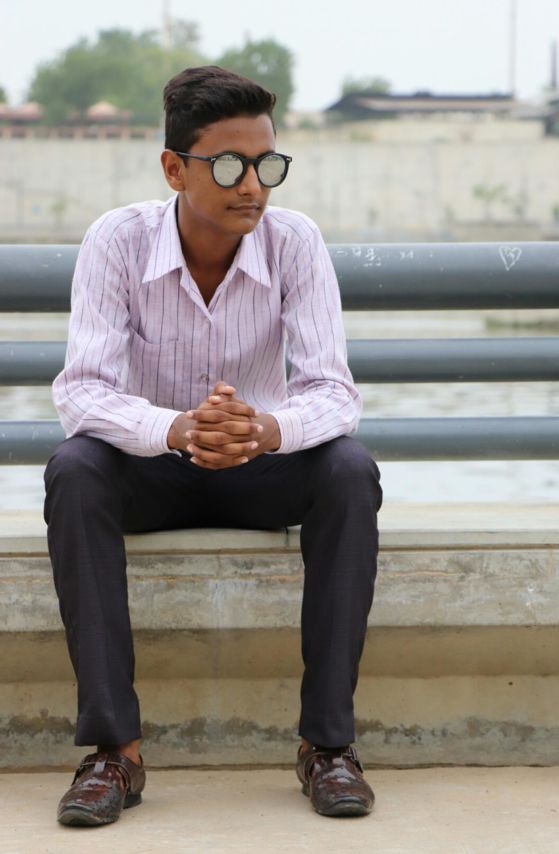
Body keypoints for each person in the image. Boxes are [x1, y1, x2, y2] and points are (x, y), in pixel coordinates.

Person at [44, 65, 382, 826]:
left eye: (268, 165)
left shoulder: (295, 242)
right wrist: (175, 428)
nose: (253, 187)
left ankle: (328, 747)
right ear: (175, 168)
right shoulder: (117, 241)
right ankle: (115, 754)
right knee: (74, 469)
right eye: (229, 166)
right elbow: (82, 391)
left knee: (349, 470)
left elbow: (334, 392)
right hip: (153, 469)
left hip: (258, 469)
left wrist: (264, 430)